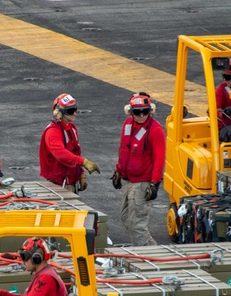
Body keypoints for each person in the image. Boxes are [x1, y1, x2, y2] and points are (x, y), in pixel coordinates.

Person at [112, 92, 166, 246]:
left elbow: (159, 159)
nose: (142, 115)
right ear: (130, 111)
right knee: (126, 218)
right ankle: (154, 251)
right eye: (137, 112)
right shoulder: (127, 124)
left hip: (142, 183)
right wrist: (118, 171)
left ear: (151, 111)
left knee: (137, 225)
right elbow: (123, 149)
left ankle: (145, 258)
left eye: (145, 111)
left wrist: (154, 183)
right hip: (129, 181)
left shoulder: (155, 130)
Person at [38, 93, 99, 193]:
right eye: (70, 111)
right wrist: (83, 162)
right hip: (58, 186)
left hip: (70, 183)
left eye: (75, 109)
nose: (74, 113)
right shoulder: (53, 132)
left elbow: (75, 153)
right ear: (59, 113)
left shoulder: (71, 128)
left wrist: (80, 172)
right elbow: (61, 154)